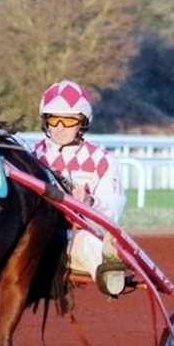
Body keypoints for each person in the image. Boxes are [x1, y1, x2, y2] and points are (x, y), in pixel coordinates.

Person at [32, 80, 130, 296]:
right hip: (38, 236)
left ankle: (109, 274)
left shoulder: (103, 161)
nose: (59, 127)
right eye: (53, 119)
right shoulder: (30, 156)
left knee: (88, 241)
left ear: (82, 122)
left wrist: (89, 201)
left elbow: (112, 214)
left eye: (68, 120)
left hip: (78, 237)